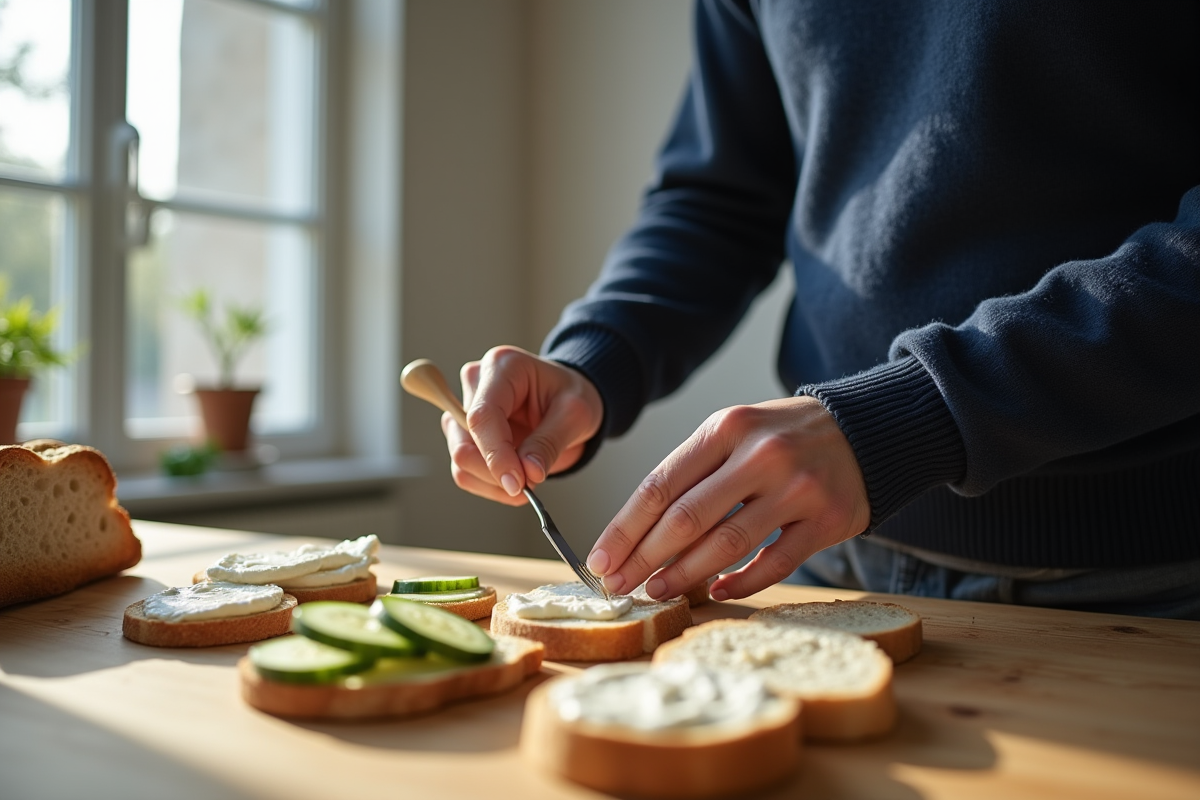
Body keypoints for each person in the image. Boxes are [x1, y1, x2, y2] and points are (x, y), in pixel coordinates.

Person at [439, 1, 1200, 619]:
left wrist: (914, 419)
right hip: (827, 565)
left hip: (1157, 578)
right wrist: (596, 359)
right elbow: (719, 200)